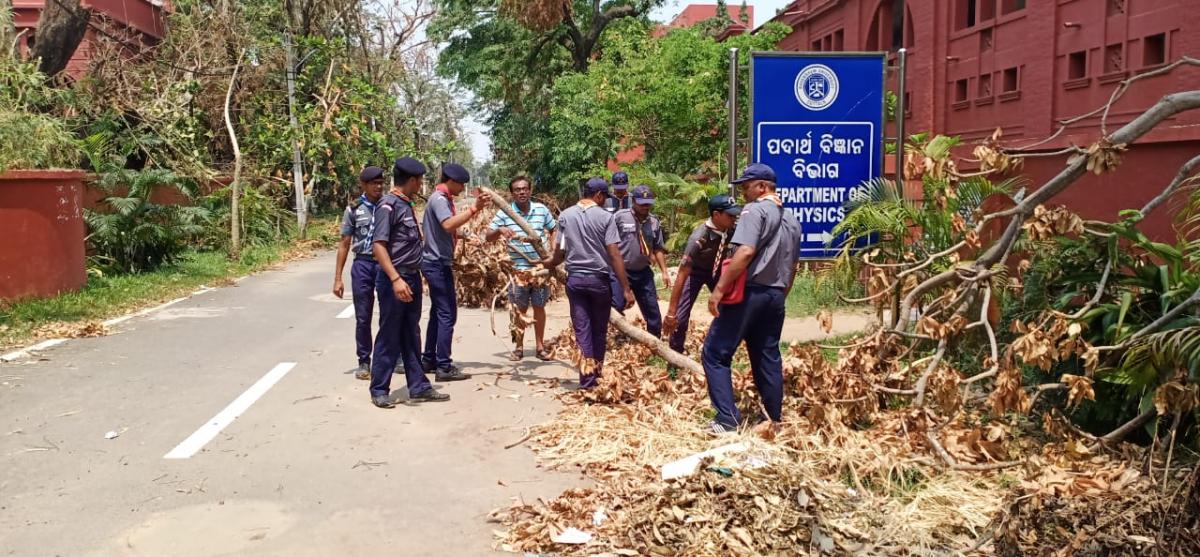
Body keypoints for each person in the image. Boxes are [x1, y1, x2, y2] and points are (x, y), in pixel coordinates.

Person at [701, 164, 800, 434]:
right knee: (767, 355)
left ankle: (726, 419)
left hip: (750, 293)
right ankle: (772, 420)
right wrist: (781, 294)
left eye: (746, 187)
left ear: (762, 187)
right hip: (775, 295)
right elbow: (793, 266)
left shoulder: (754, 211)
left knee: (714, 353)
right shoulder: (791, 218)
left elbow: (744, 253)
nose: (744, 193)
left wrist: (719, 289)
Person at [368, 157, 448, 408]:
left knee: (411, 333)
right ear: (412, 180)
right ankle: (379, 388)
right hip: (396, 279)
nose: (421, 184)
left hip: (410, 276)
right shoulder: (388, 206)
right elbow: (378, 247)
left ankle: (419, 386)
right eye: (420, 180)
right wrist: (395, 279)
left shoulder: (406, 204)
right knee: (389, 334)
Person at [541, 177, 634, 389]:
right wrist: (626, 288)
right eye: (604, 197)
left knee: (582, 330)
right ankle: (597, 374)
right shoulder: (605, 217)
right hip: (598, 280)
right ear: (599, 195)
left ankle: (587, 381)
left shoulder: (565, 215)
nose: (605, 202)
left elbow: (560, 253)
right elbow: (614, 254)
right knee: (599, 330)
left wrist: (548, 263)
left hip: (575, 281)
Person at [420, 162, 488, 381]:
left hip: (438, 262)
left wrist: (466, 236)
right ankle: (444, 366)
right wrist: (473, 209)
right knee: (447, 313)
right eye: (461, 185)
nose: (462, 190)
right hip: (436, 263)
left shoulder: (441, 199)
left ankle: (429, 359)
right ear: (452, 182)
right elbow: (448, 225)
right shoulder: (439, 200)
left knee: (437, 314)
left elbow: (447, 230)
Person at [485, 175, 557, 361]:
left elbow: (554, 229)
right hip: (518, 270)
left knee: (539, 307)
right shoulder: (505, 213)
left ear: (530, 190)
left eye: (525, 189)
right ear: (512, 193)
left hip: (540, 269)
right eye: (517, 190)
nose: (522, 192)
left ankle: (540, 347)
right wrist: (500, 230)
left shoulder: (541, 210)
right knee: (519, 309)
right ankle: (519, 347)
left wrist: (553, 251)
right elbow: (488, 236)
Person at [662, 194, 742, 355]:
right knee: (681, 316)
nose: (734, 218)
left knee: (729, 309)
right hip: (695, 273)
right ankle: (675, 354)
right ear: (716, 215)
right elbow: (682, 274)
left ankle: (720, 348)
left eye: (735, 214)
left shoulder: (733, 230)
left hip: (718, 272)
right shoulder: (699, 238)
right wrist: (671, 312)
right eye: (730, 215)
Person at [333, 166, 385, 379]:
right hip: (363, 265)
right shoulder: (354, 210)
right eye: (374, 183)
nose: (379, 187)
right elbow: (345, 243)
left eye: (381, 183)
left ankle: (391, 355)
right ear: (363, 185)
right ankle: (364, 361)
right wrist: (338, 278)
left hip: (384, 265)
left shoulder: (388, 207)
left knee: (390, 313)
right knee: (363, 316)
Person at [609, 185, 671, 337]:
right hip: (621, 271)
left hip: (643, 273)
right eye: (642, 203)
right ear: (634, 201)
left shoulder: (654, 222)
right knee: (616, 304)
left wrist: (664, 271)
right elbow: (610, 242)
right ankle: (614, 334)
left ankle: (655, 342)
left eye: (648, 203)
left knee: (653, 312)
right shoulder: (619, 217)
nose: (645, 206)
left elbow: (658, 248)